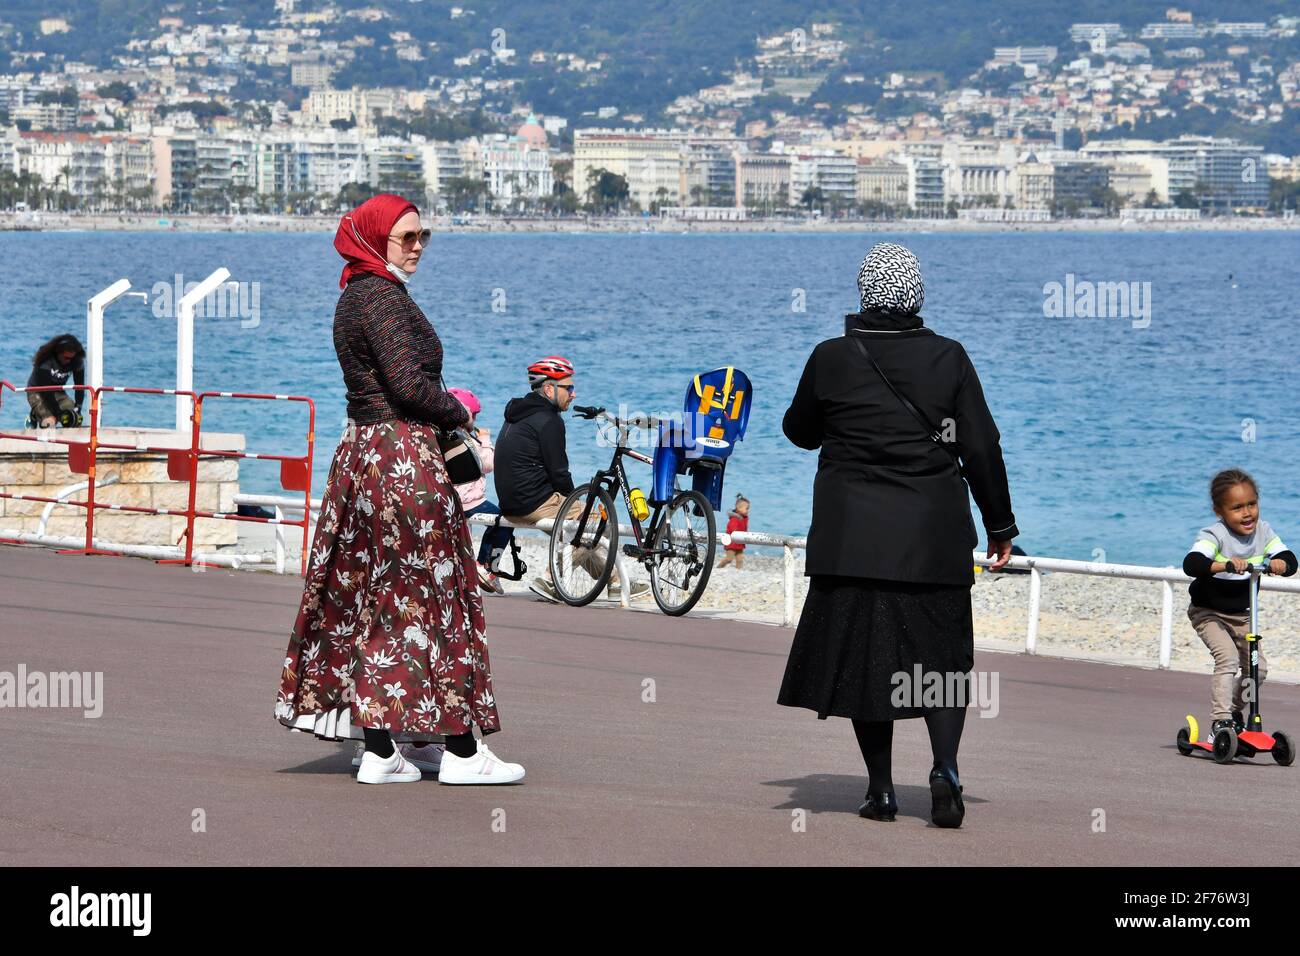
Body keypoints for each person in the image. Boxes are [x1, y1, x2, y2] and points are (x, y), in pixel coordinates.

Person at [275, 192, 524, 786]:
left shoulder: (351, 295)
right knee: (434, 594)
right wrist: (459, 412)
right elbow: (409, 386)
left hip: (361, 456)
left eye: (423, 237)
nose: (417, 248)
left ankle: (384, 748)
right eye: (405, 238)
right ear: (374, 238)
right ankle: (463, 751)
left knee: (370, 597)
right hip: (403, 458)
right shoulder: (382, 298)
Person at [777, 242, 1018, 829]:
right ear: (916, 295)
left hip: (851, 540)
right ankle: (944, 769)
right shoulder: (949, 357)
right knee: (941, 663)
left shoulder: (831, 356)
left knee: (868, 666)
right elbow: (980, 445)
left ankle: (881, 791)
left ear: (866, 293)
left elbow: (797, 430)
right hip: (931, 537)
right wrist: (1001, 525)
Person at [494, 355, 650, 603]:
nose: (574, 394)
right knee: (595, 523)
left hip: (510, 503)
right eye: (569, 388)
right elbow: (559, 473)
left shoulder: (517, 413)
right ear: (548, 389)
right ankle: (551, 577)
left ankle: (614, 582)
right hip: (533, 503)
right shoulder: (549, 421)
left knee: (583, 529)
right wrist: (575, 502)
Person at [1182, 468, 1296, 736]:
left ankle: (1234, 711)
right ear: (1219, 511)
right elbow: (1192, 563)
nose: (1247, 513)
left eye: (1252, 504)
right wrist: (1224, 565)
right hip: (1208, 612)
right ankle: (1219, 721)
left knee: (1259, 669)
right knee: (1228, 659)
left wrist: (1280, 563)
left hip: (1243, 614)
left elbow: (1290, 559)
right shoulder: (1214, 534)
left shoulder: (1264, 532)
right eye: (1237, 508)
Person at [446, 386, 512, 596]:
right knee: (504, 521)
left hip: (451, 500)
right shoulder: (468, 440)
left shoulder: (445, 437)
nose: (475, 419)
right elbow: (487, 464)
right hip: (471, 501)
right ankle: (486, 566)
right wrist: (485, 440)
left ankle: (473, 569)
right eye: (474, 415)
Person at [26, 334, 86, 429]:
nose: (69, 361)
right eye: (66, 358)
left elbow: (79, 387)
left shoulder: (77, 360)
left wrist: (78, 408)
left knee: (74, 421)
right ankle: (35, 415)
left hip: (59, 392)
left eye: (72, 358)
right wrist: (59, 414)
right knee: (50, 422)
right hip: (38, 391)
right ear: (58, 353)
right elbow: (46, 391)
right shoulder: (46, 360)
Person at [717, 494, 750, 569]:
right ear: (739, 508)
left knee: (740, 559)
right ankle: (718, 567)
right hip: (731, 543)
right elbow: (732, 529)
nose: (748, 510)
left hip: (740, 543)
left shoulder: (744, 518)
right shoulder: (734, 519)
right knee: (729, 558)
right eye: (747, 508)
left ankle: (739, 571)